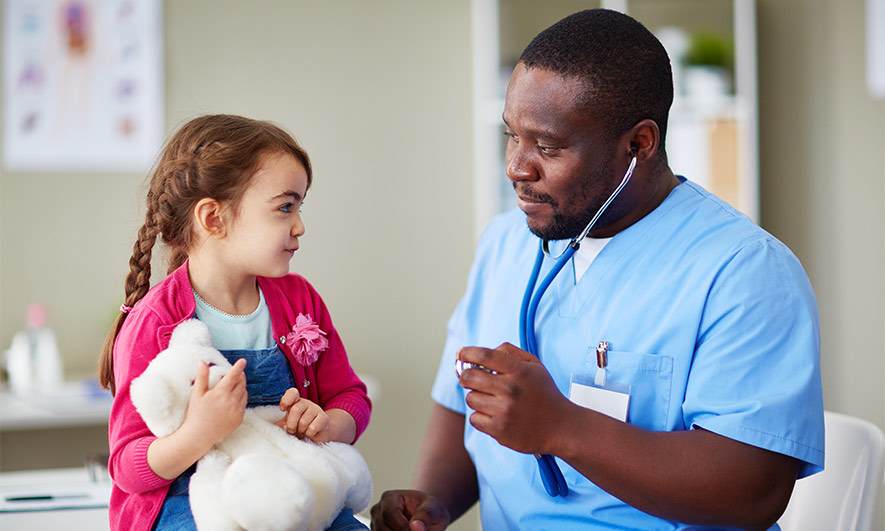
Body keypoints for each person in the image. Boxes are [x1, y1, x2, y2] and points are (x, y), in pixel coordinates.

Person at [371, 9, 823, 531]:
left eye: (547, 146)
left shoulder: (745, 273)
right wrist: (434, 502)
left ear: (639, 145)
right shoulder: (506, 243)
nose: (517, 167)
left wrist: (562, 427)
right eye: (512, 137)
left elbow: (753, 490)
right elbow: (464, 400)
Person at [99, 115, 371, 531]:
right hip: (187, 502)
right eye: (285, 207)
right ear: (213, 218)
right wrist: (200, 432)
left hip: (288, 490)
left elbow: (350, 396)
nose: (300, 226)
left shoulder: (300, 300)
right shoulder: (155, 321)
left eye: (299, 207)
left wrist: (328, 423)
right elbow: (127, 467)